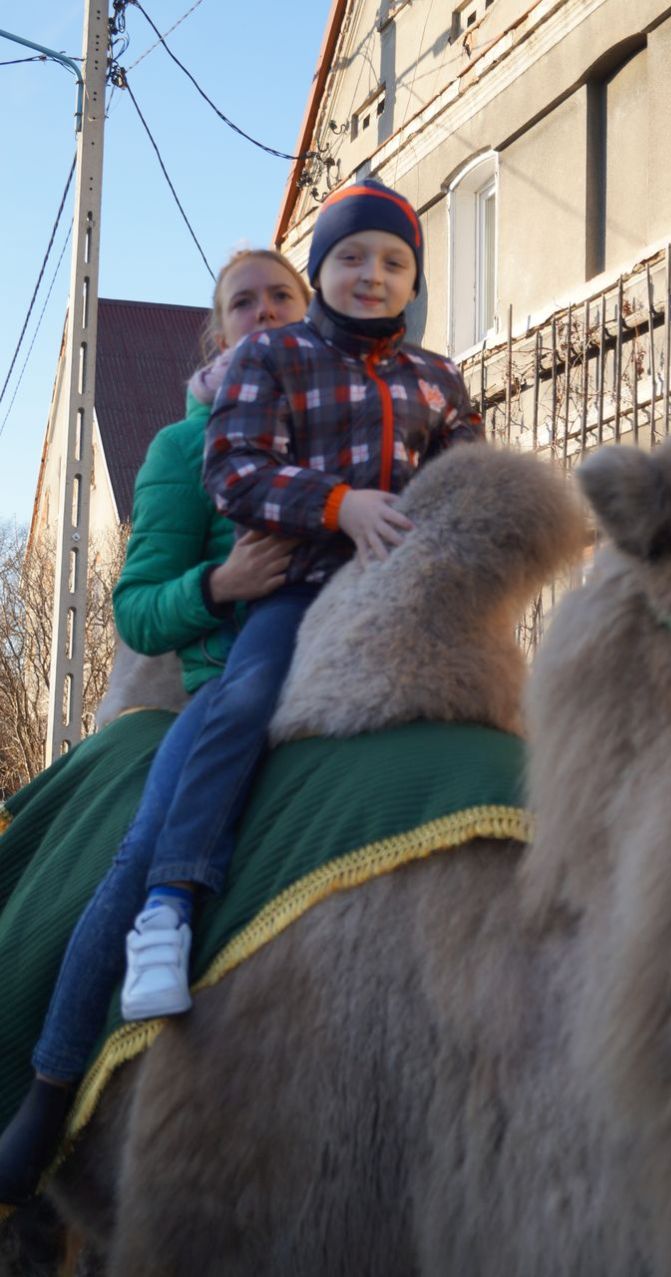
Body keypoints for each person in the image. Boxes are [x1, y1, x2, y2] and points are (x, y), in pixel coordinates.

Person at [115, 178, 484, 1024]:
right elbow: (235, 470)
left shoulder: (438, 378)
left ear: (413, 280)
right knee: (242, 703)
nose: (371, 274)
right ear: (323, 273)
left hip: (403, 588)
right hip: (296, 588)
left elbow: (465, 476)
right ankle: (166, 905)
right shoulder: (266, 371)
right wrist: (336, 507)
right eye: (349, 257)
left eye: (393, 261)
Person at [0, 248, 309, 1205]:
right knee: (146, 851)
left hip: (350, 671)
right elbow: (138, 610)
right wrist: (224, 581)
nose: (265, 312)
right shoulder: (185, 446)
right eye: (243, 302)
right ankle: (49, 1092)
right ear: (218, 332)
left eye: (282, 297)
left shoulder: (343, 422)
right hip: (225, 681)